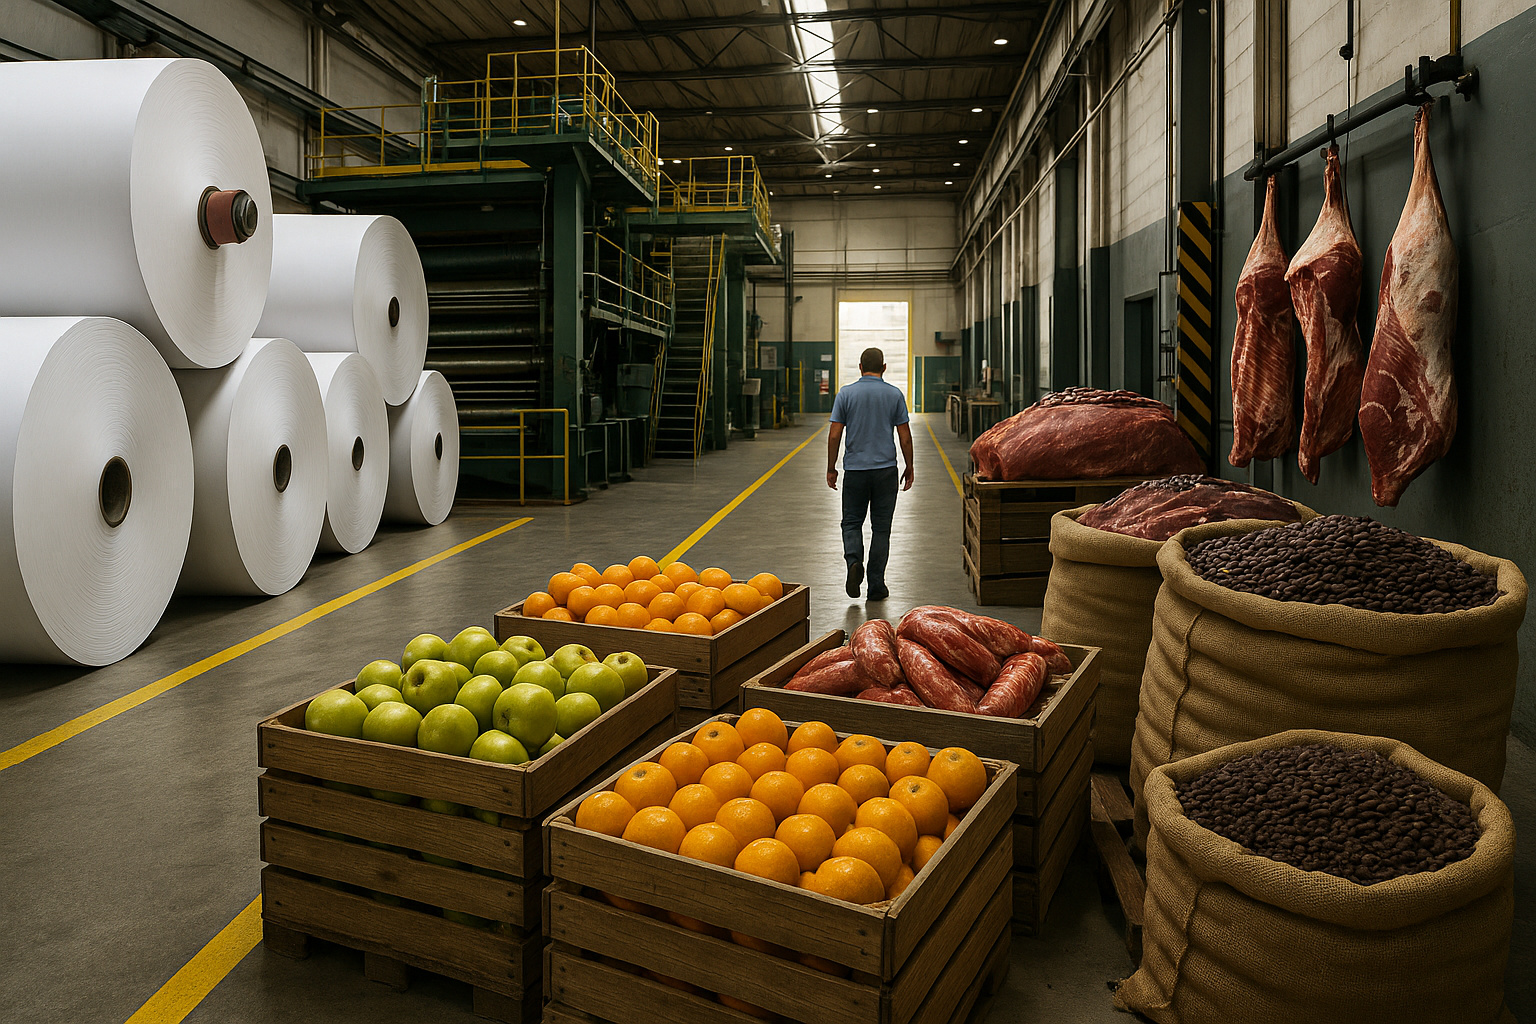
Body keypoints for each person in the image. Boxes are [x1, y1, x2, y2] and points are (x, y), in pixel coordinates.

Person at [827, 347, 914, 600]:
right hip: (886, 471)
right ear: (884, 367)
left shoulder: (846, 394)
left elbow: (834, 434)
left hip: (855, 471)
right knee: (881, 529)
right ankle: (876, 585)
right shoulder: (894, 394)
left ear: (860, 367)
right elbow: (905, 437)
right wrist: (909, 466)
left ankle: (854, 562)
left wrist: (831, 467)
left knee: (852, 522)